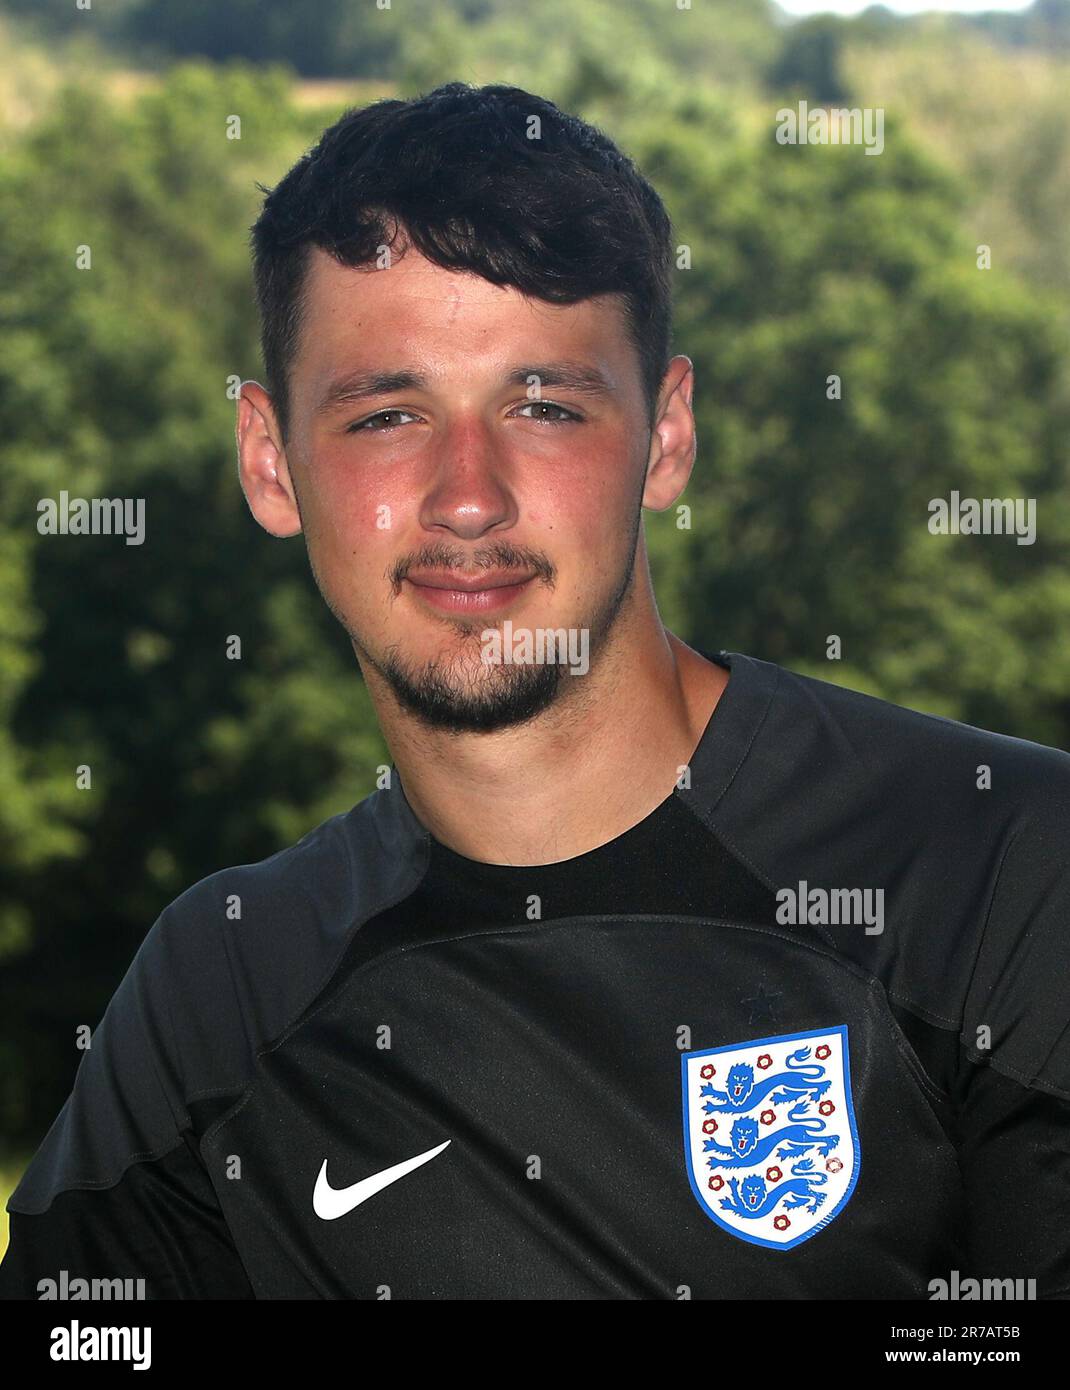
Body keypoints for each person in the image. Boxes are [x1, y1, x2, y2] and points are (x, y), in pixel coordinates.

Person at [2, 81, 1068, 1301]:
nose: (469, 495)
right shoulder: (224, 984)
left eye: (544, 405)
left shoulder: (1003, 871)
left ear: (665, 438)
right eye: (387, 413)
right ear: (268, 461)